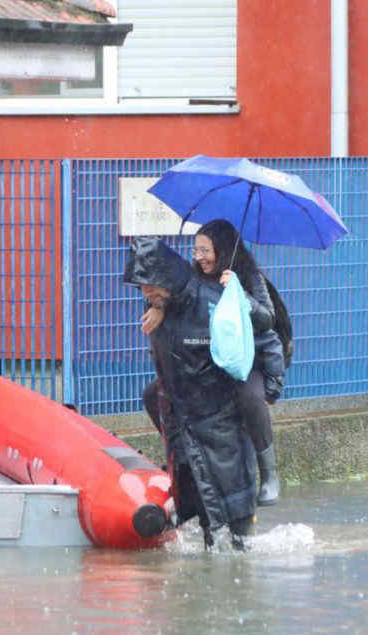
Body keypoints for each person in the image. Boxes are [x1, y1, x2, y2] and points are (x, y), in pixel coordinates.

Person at [125, 236, 261, 550]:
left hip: (220, 429)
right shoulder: (160, 307)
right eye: (141, 288)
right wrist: (159, 306)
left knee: (238, 531)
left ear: (167, 279)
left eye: (151, 286)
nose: (146, 294)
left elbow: (257, 340)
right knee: (200, 521)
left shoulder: (217, 302)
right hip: (184, 434)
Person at [140, 218, 288, 505]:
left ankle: (269, 474)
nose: (200, 257)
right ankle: (181, 460)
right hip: (206, 364)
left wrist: (240, 295)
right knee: (153, 395)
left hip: (244, 361)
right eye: (196, 250)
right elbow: (172, 296)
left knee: (250, 398)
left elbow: (268, 319)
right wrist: (159, 307)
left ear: (222, 249)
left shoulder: (248, 276)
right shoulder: (194, 278)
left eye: (205, 250)